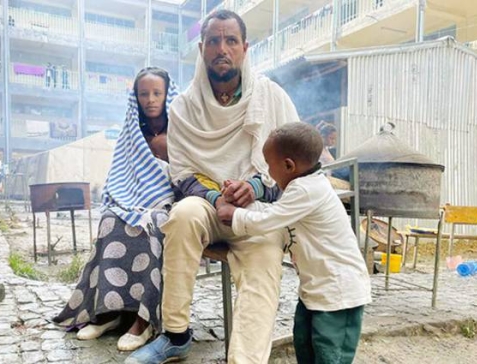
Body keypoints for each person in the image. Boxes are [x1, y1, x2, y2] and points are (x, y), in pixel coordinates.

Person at [126, 10, 299, 364]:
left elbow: (295, 166)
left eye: (231, 40)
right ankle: (175, 335)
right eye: (214, 42)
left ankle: (246, 359)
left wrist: (255, 188)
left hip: (258, 211)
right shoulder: (184, 107)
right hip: (209, 205)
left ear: (245, 48)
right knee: (183, 214)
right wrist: (216, 197)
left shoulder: (271, 96)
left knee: (267, 252)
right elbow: (183, 174)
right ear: (202, 49)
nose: (223, 48)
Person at [216, 122, 371, 364]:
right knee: (305, 345)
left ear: (289, 165)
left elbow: (270, 219)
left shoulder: (309, 190)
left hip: (339, 295)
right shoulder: (300, 188)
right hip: (315, 292)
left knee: (330, 355)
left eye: (269, 166)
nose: (268, 173)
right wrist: (244, 204)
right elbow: (277, 212)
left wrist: (232, 214)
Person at [53, 67, 179, 352]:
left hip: (169, 202)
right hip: (133, 199)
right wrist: (124, 199)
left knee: (153, 224)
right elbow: (121, 173)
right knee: (111, 219)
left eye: (157, 93)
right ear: (135, 97)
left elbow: (189, 171)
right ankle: (109, 312)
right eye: (143, 94)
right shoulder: (131, 131)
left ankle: (142, 319)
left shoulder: (181, 128)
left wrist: (167, 151)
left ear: (167, 94)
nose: (150, 99)